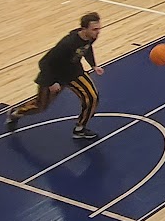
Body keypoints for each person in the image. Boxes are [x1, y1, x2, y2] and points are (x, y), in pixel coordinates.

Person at [6, 12, 101, 140]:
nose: (98, 32)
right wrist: (51, 82)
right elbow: (44, 63)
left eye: (99, 28)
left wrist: (93, 65)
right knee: (40, 106)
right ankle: (15, 113)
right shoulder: (67, 44)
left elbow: (86, 48)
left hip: (73, 72)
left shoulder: (91, 37)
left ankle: (80, 129)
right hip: (53, 75)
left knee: (92, 97)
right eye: (94, 29)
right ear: (84, 29)